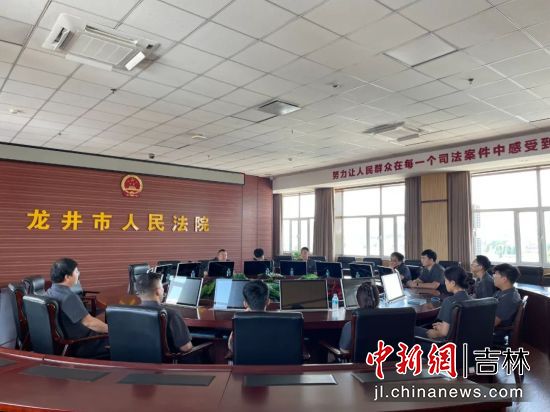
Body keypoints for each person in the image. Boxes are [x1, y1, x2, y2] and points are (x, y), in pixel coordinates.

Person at [46, 258, 109, 358]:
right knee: (122, 340)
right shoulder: (69, 297)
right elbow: (89, 323)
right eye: (76, 271)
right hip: (83, 344)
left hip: (69, 342)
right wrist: (113, 330)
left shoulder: (50, 291)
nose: (79, 273)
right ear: (67, 277)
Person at [136, 271, 193, 353]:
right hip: (168, 361)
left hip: (134, 360)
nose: (163, 290)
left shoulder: (127, 313)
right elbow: (186, 348)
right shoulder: (172, 314)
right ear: (158, 292)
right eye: (162, 287)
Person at [414, 266, 472, 340]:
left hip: (444, 343)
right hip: (463, 341)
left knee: (412, 329)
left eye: (446, 280)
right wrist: (444, 326)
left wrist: (435, 332)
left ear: (453, 283)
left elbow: (443, 333)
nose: (445, 283)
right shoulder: (472, 299)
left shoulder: (449, 301)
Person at [228, 280, 269, 352]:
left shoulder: (239, 320)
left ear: (245, 304)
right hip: (271, 359)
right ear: (268, 301)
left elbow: (231, 347)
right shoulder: (280, 321)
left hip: (244, 359)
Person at [339, 282, 379, 352]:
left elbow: (343, 350)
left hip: (360, 359)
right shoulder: (388, 322)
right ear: (377, 299)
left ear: (358, 301)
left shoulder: (351, 326)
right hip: (383, 358)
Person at [493, 263, 522, 344]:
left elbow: (492, 323)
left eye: (496, 274)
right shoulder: (504, 292)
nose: (493, 276)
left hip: (496, 334)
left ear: (504, 279)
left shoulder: (508, 299)